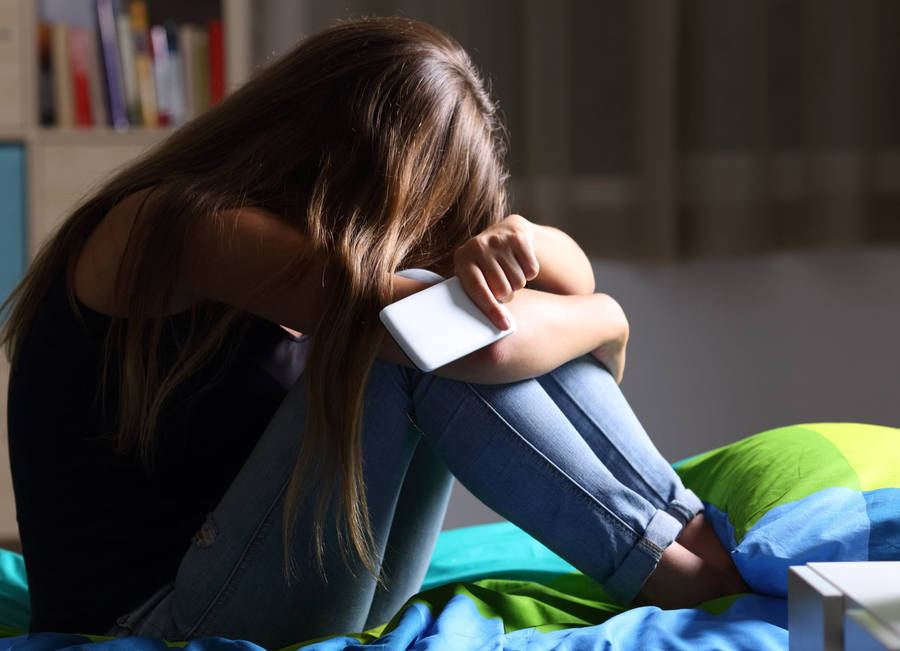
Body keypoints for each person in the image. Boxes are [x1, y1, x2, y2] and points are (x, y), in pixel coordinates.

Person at [1, 17, 747, 649]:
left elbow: (563, 281)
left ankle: (679, 531)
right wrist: (610, 321)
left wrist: (518, 237)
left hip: (286, 576)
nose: (414, 238)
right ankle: (674, 563)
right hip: (155, 619)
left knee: (439, 317)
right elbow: (467, 345)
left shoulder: (314, 242)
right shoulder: (185, 226)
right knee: (415, 341)